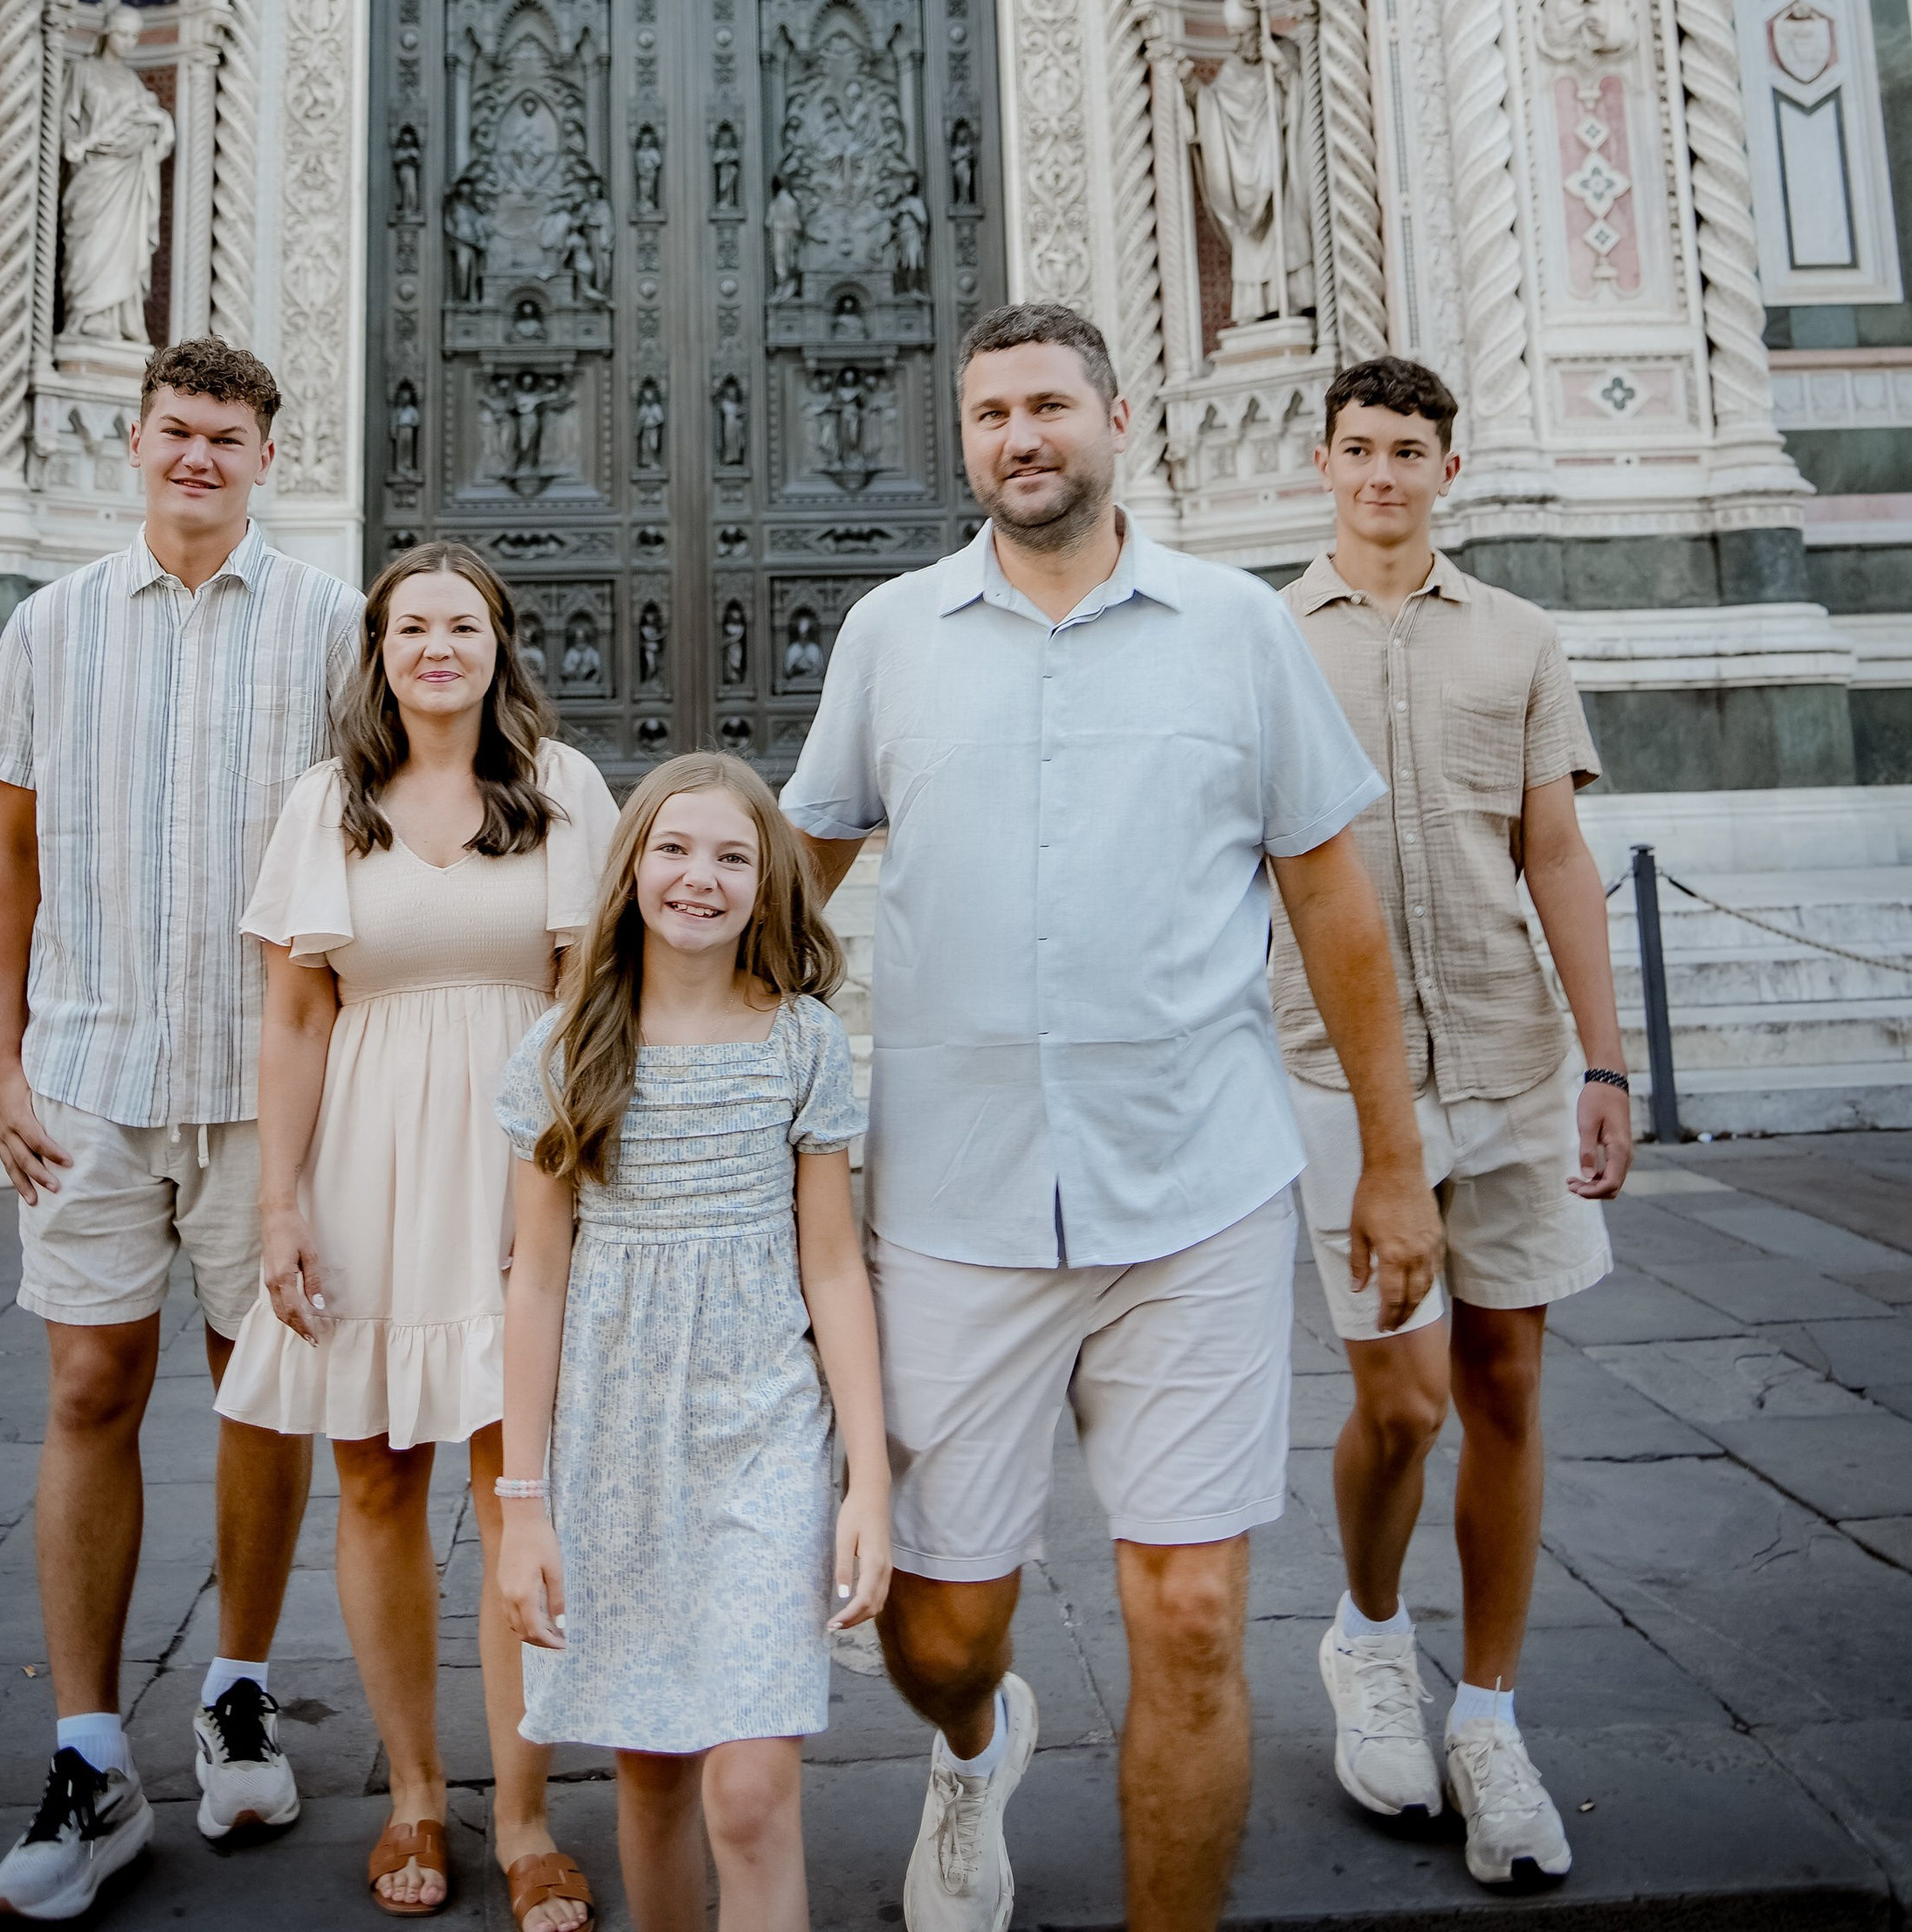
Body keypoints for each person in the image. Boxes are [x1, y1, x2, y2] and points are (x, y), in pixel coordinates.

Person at [785, 300, 1442, 1932]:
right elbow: (799, 873)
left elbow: (1331, 902)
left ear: (1121, 419)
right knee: (937, 1628)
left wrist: (1393, 1162)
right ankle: (977, 1739)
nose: (1021, 437)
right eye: (991, 413)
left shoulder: (1237, 628)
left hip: (1195, 1189)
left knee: (1195, 1614)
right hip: (957, 1204)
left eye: (1050, 406)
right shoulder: (892, 634)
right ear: (965, 438)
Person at [0, 341, 365, 1924]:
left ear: (269, 457)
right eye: (177, 431)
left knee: (259, 1388)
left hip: (266, 1079)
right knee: (88, 1383)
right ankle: (85, 1754)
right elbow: (10, 856)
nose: (199, 457)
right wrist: (0, 1062)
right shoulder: (49, 625)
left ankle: (240, 1690)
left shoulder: (334, 623)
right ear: (133, 441)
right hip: (91, 1070)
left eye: (229, 437)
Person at [216, 544, 617, 1922]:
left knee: (519, 1487)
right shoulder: (326, 802)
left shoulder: (560, 788)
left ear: (499, 647)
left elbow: (587, 1000)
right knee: (377, 1482)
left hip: (520, 1165)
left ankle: (525, 1816)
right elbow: (295, 1014)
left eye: (462, 626)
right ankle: (411, 1795)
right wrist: (280, 1202)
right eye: (411, 629)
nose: (437, 648)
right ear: (379, 654)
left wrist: (558, 1190)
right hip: (365, 1168)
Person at [1278, 358, 1631, 1887]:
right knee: (1406, 1403)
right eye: (1359, 448)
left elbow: (1556, 855)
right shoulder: (1263, 643)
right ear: (1320, 462)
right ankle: (1367, 1635)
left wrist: (1607, 1065)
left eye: (1408, 450)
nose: (1382, 474)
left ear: (1448, 469)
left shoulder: (1521, 638)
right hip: (1342, 1077)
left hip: (1513, 1057)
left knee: (1507, 1388)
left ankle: (1487, 1716)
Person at [496, 755, 891, 1932]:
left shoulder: (802, 1043)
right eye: (674, 848)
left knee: (751, 1793)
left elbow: (834, 1266)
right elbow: (536, 1285)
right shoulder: (563, 1051)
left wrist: (869, 1480)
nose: (699, 878)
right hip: (615, 1445)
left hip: (762, 1431)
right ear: (631, 869)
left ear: (768, 883)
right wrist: (523, 1506)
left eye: (732, 856)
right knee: (655, 1773)